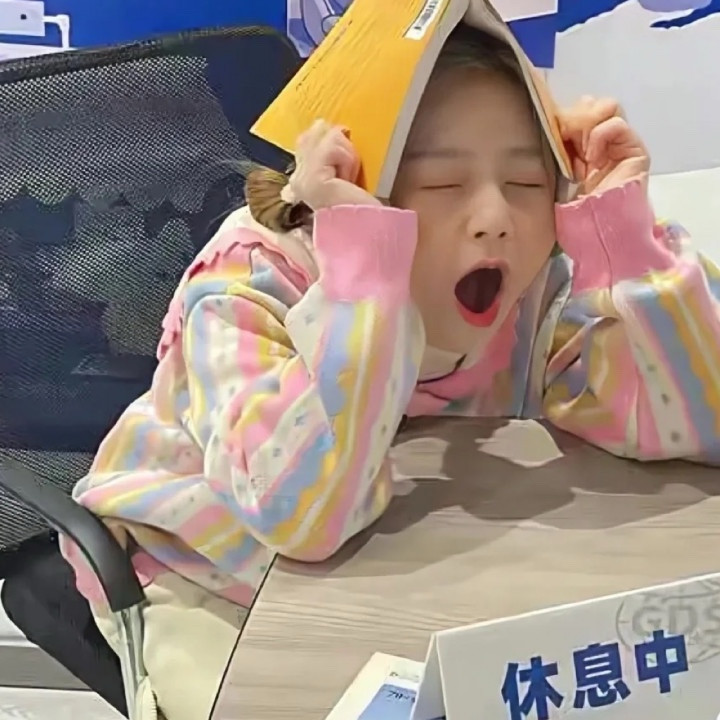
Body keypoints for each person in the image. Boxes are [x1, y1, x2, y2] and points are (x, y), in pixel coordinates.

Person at [59, 23, 720, 720]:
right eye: (443, 183)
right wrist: (366, 285)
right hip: (216, 569)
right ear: (355, 191)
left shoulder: (539, 283)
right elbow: (300, 517)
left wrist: (626, 244)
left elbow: (698, 423)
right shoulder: (252, 281)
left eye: (526, 181)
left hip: (414, 565)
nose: (495, 217)